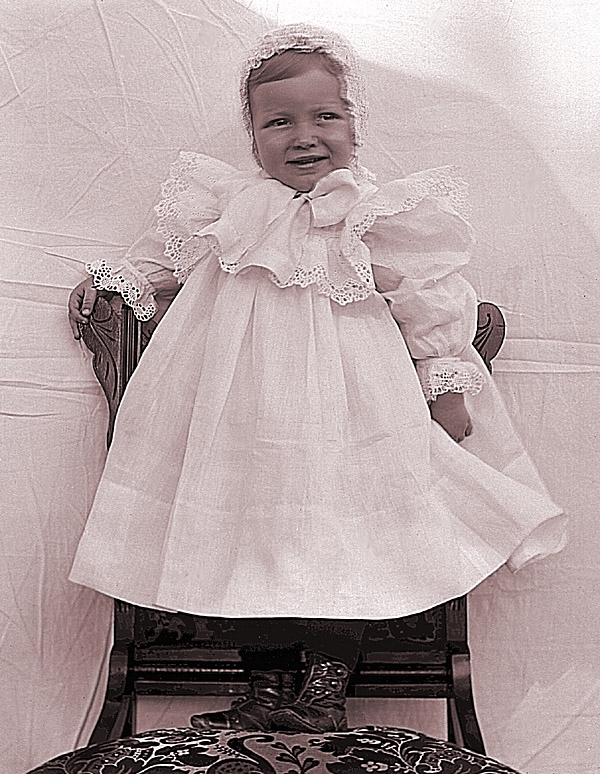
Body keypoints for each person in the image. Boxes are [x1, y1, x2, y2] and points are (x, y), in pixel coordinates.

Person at [68, 24, 566, 734]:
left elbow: (429, 294)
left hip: (351, 415)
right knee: (243, 541)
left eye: (324, 116)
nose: (304, 136)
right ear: (253, 137)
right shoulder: (229, 207)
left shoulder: (373, 215)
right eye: (279, 122)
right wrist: (111, 281)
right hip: (242, 422)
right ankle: (265, 687)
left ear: (353, 126)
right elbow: (164, 257)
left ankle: (327, 686)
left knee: (349, 541)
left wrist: (445, 385)